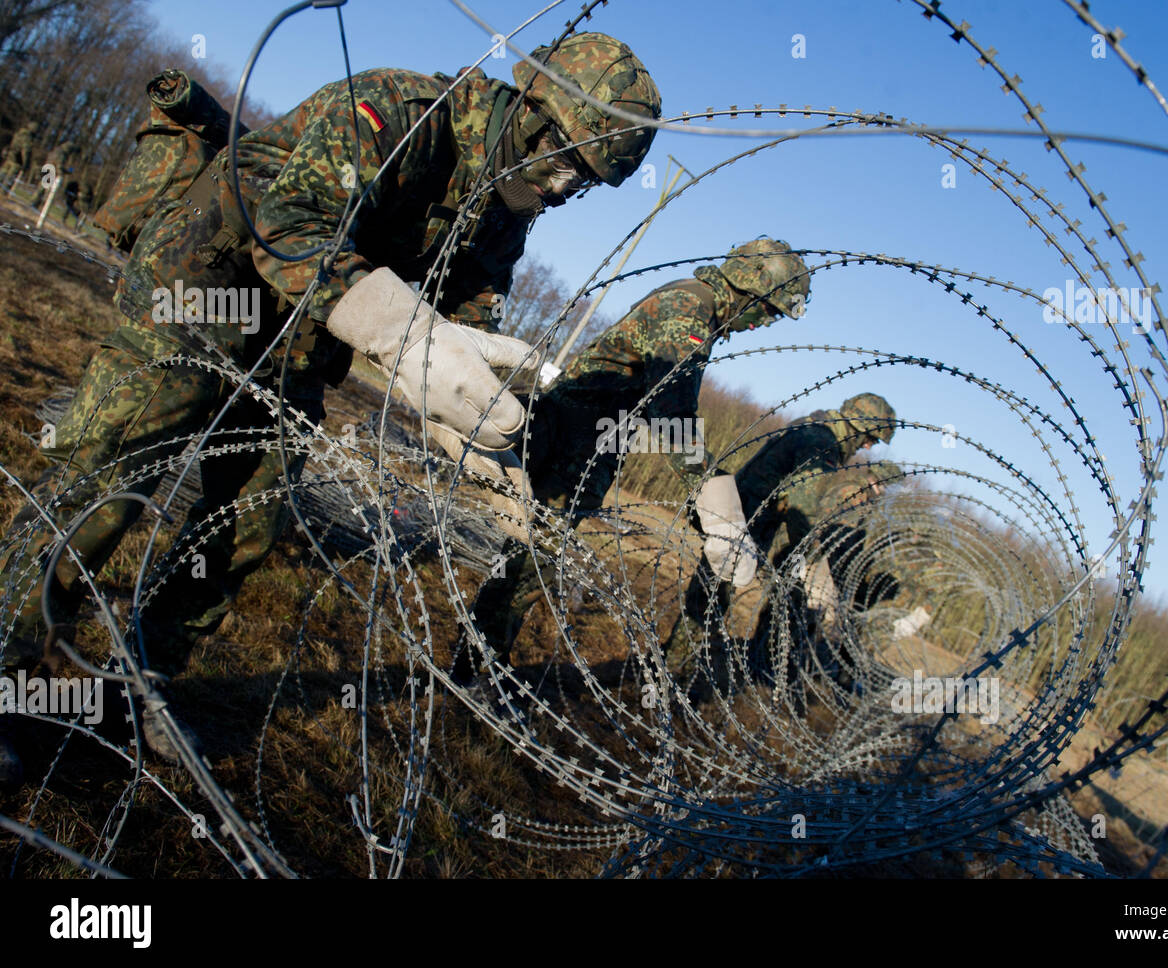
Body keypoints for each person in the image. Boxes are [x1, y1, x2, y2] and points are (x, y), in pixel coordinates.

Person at [0, 32, 661, 784]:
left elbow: (472, 307)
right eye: (571, 163)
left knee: (252, 515)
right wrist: (398, 333)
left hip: (303, 337)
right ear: (539, 117)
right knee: (111, 473)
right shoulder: (400, 113)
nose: (568, 190)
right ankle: (12, 666)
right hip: (204, 279)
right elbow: (287, 220)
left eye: (589, 182)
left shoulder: (507, 207)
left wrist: (473, 413)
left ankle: (134, 674)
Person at [452, 239, 813, 695]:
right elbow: (671, 407)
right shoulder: (690, 308)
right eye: (768, 310)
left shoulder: (698, 307)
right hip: (578, 440)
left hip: (594, 441)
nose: (763, 323)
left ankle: (477, 660)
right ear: (752, 288)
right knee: (531, 557)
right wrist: (714, 497)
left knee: (532, 555)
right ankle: (474, 667)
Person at [663, 393, 897, 696]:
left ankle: (672, 666)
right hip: (745, 520)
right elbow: (803, 503)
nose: (867, 446)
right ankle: (672, 675)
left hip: (746, 513)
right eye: (869, 439)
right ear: (857, 427)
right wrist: (810, 561)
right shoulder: (821, 441)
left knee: (709, 595)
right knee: (711, 598)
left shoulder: (816, 428)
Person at [0, 120, 37, 191]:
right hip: (17, 160)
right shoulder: (27, 138)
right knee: (10, 178)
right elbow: (25, 151)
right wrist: (25, 164)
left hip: (10, 155)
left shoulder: (19, 133)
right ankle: (3, 194)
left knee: (3, 173)